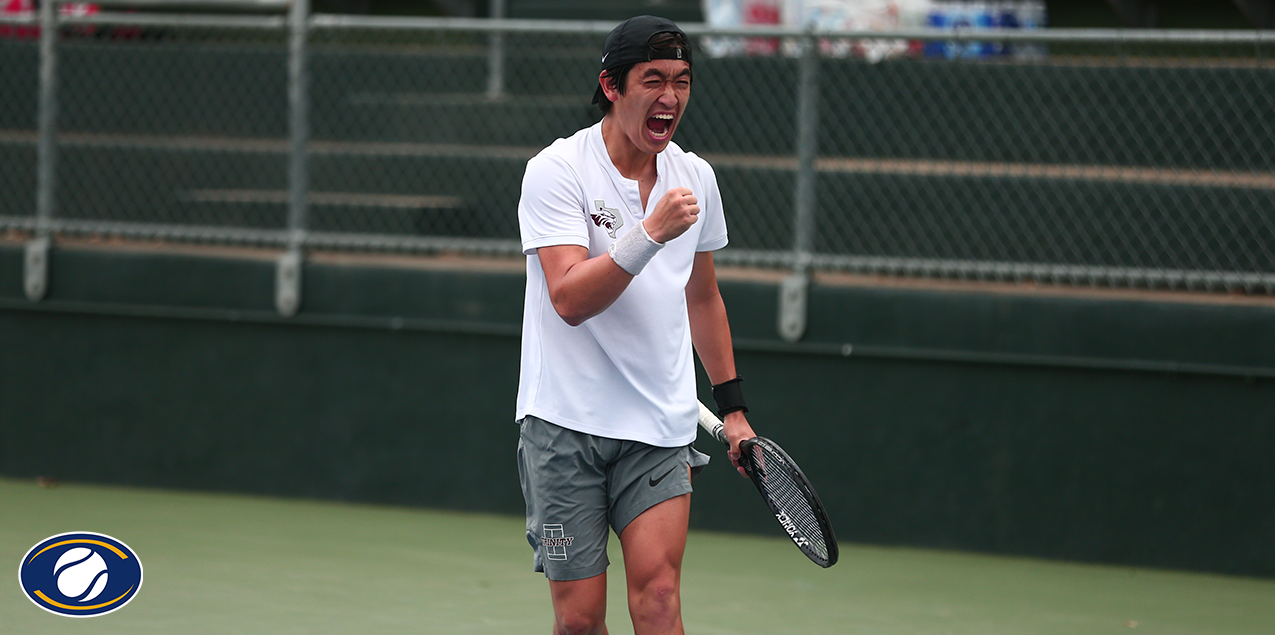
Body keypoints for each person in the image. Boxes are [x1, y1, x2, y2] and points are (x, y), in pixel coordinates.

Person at [515, 15, 756, 635]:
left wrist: (732, 410)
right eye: (652, 80)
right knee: (578, 622)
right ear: (612, 86)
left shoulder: (695, 177)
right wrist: (648, 233)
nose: (670, 97)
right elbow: (568, 299)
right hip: (564, 427)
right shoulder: (557, 171)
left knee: (658, 600)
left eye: (682, 81)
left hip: (658, 427)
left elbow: (703, 298)